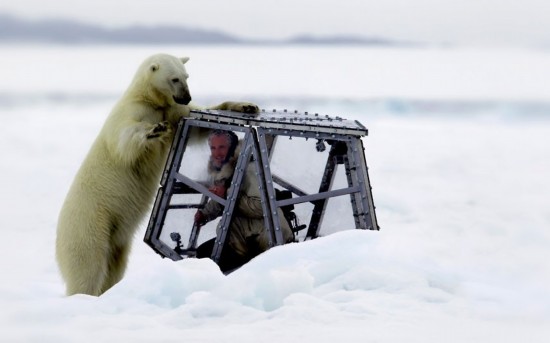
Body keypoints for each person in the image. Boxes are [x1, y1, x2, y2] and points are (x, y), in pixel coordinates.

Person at [194, 130, 294, 271]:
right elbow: (225, 199)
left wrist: (227, 195)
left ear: (233, 148)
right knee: (203, 255)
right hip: (243, 236)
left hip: (263, 240)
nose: (217, 153)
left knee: (208, 262)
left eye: (222, 147)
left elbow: (260, 207)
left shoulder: (250, 168)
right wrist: (205, 214)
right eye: (213, 148)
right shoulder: (227, 169)